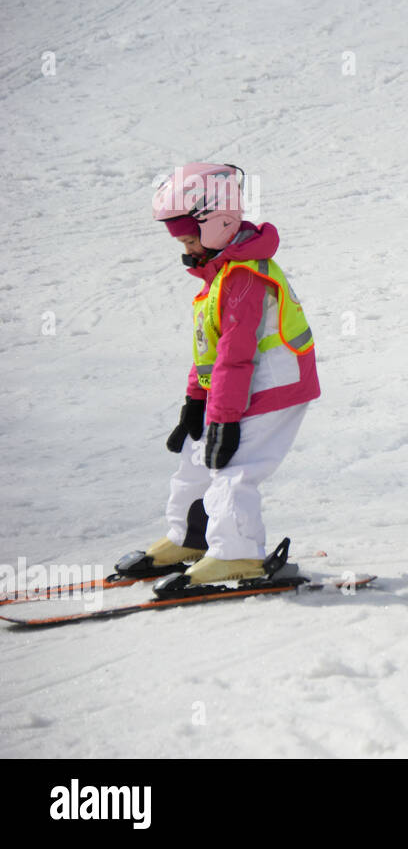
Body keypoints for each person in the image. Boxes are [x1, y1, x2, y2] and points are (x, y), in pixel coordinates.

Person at [126, 162, 320, 585]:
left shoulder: (244, 278)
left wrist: (226, 420)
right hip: (238, 391)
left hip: (274, 388)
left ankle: (237, 553)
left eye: (190, 237)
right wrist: (195, 403)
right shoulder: (218, 276)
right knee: (196, 455)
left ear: (217, 223)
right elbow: (208, 353)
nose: (185, 248)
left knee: (232, 466)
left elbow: (235, 357)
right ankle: (190, 537)